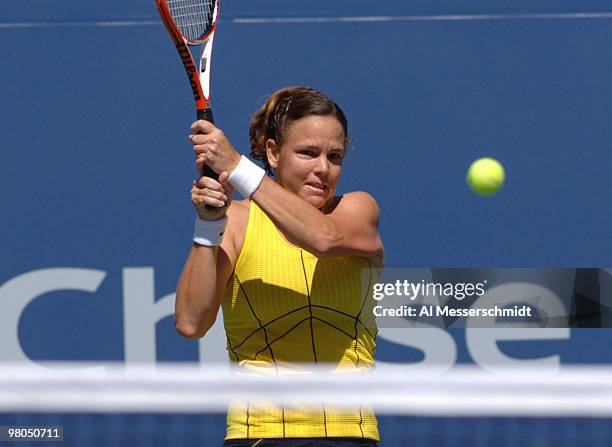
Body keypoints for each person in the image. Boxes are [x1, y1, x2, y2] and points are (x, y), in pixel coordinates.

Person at [175, 86, 384, 446]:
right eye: (308, 153)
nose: (323, 169)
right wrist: (209, 225)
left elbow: (323, 240)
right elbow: (191, 323)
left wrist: (237, 167)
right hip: (260, 434)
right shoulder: (237, 221)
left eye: (334, 156)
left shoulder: (356, 210)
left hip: (350, 433)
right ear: (273, 152)